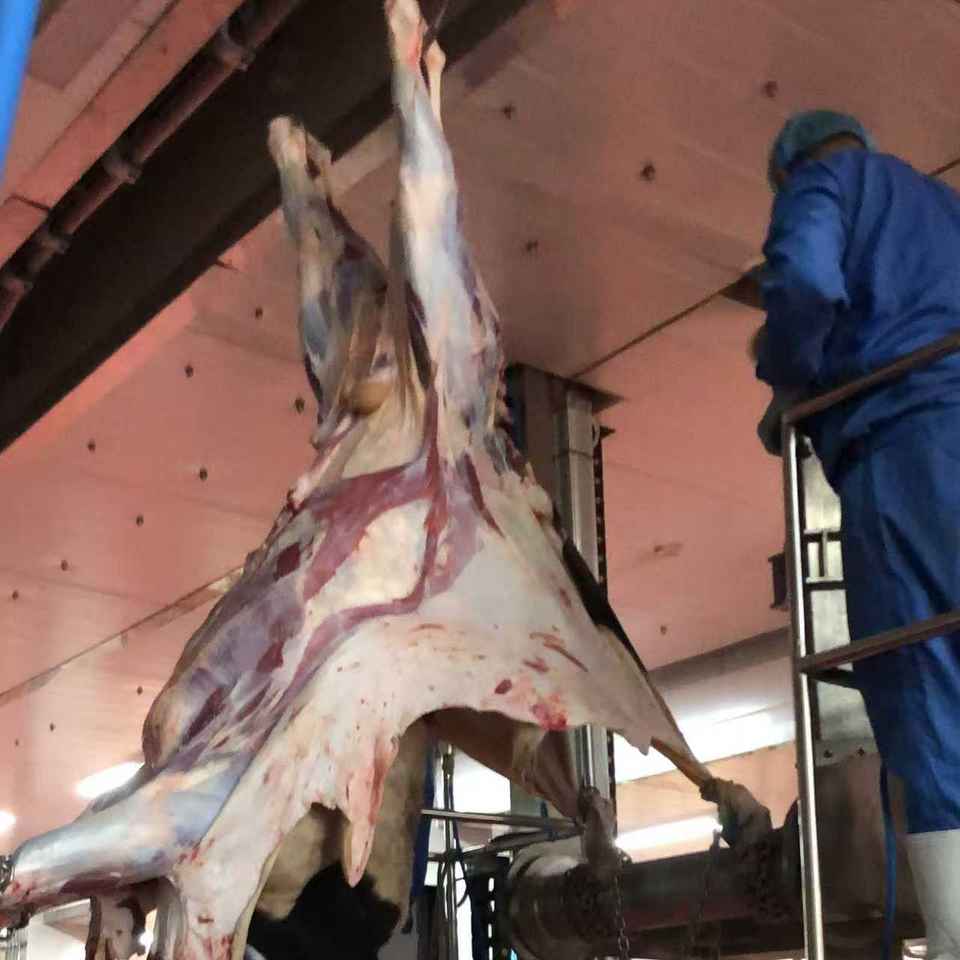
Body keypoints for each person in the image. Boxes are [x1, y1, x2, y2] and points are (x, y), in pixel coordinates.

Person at [754, 109, 960, 959]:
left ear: (789, 169)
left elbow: (804, 282)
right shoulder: (942, 204)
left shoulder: (826, 185)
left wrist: (787, 378)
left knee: (921, 680)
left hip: (906, 450)